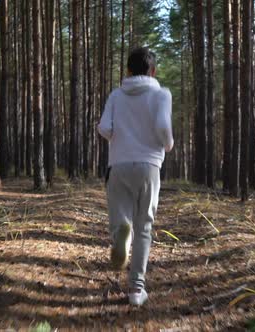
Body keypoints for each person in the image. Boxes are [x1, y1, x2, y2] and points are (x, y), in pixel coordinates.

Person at [97, 47, 174, 306]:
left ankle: (121, 235)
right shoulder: (161, 94)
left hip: (118, 165)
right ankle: (136, 291)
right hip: (149, 166)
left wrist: (121, 137)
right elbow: (163, 126)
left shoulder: (117, 95)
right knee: (144, 227)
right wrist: (168, 144)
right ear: (153, 71)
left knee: (123, 221)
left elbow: (104, 128)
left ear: (127, 71)